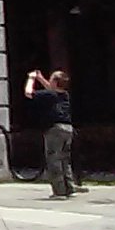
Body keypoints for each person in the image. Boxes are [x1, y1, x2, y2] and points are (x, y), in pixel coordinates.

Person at [26, 69, 79, 198]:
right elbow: (51, 89)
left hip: (55, 129)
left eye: (51, 79)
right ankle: (69, 188)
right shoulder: (64, 95)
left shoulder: (50, 95)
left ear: (55, 82)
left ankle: (59, 191)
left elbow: (28, 93)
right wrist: (41, 78)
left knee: (53, 160)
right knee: (65, 160)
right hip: (68, 128)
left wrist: (31, 79)